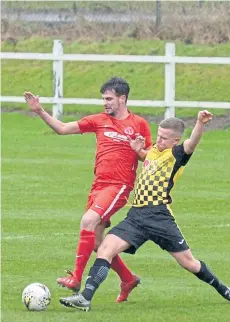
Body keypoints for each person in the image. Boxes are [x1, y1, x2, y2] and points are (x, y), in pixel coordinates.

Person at [59, 111, 230, 311]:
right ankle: (85, 298)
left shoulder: (177, 154)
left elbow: (192, 143)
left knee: (190, 263)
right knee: (105, 249)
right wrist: (137, 149)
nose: (159, 140)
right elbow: (145, 157)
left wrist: (200, 123)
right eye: (158, 135)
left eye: (164, 138)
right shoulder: (153, 151)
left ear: (176, 140)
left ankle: (224, 289)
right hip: (136, 216)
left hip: (160, 218)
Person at [24, 77, 152, 302]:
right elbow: (63, 129)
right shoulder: (99, 120)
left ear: (122, 99)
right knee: (96, 243)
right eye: (103, 98)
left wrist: (139, 151)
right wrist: (40, 111)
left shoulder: (139, 124)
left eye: (109, 98)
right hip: (98, 186)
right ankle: (128, 279)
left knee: (87, 221)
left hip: (119, 186)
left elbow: (150, 159)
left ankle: (76, 278)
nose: (105, 103)